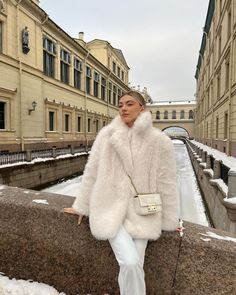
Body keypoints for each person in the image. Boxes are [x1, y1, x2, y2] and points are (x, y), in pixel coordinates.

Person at [64, 90, 179, 295]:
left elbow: (167, 182)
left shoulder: (159, 141)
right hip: (109, 207)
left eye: (129, 104)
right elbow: (92, 171)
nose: (123, 108)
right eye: (120, 104)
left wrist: (171, 219)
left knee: (135, 265)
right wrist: (82, 205)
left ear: (142, 108)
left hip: (143, 212)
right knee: (130, 262)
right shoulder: (107, 136)